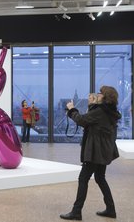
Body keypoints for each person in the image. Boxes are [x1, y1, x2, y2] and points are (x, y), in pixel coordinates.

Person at [60, 86, 121, 220]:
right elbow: (91, 121)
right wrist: (93, 106)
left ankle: (76, 212)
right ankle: (111, 209)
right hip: (103, 151)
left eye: (100, 93)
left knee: (83, 179)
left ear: (105, 98)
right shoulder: (109, 111)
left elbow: (82, 120)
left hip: (95, 151)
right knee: (100, 178)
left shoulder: (100, 111)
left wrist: (71, 109)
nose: (97, 94)